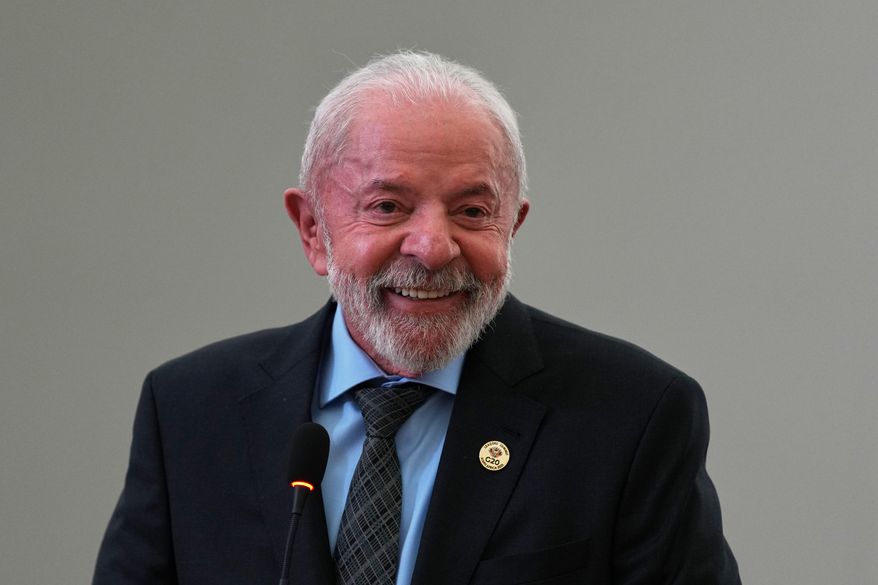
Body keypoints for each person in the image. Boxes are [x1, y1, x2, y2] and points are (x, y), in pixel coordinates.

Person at [93, 51, 741, 585]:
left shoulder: (632, 415)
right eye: (387, 206)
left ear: (512, 226)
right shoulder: (191, 410)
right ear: (313, 229)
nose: (433, 247)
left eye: (470, 211)